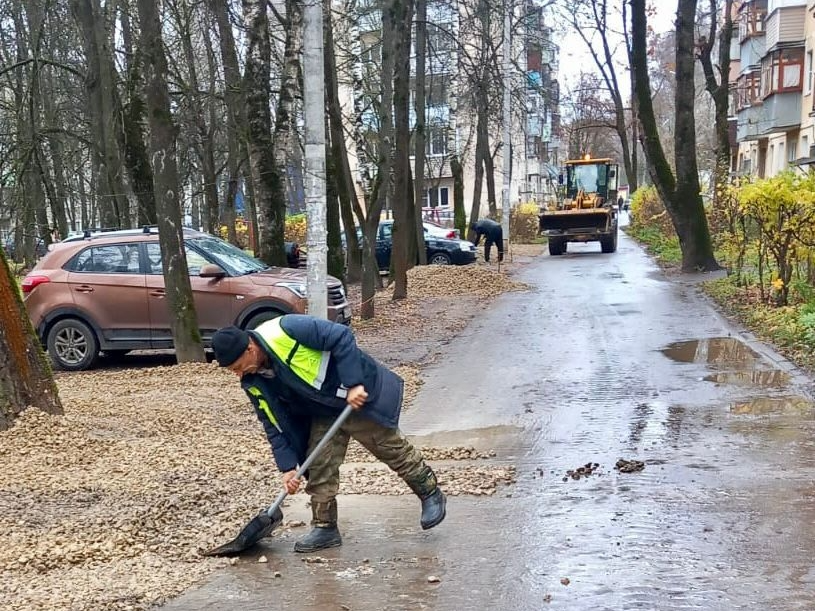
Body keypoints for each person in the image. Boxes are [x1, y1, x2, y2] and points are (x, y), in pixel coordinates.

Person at [211, 315, 447, 553]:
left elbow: (340, 336)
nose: (239, 374)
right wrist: (287, 467)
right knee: (320, 465)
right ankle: (325, 528)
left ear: (250, 349)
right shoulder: (253, 381)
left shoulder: (286, 329)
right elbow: (272, 422)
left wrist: (353, 383)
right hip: (321, 410)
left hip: (350, 396)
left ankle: (430, 493)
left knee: (389, 447)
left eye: (237, 367)